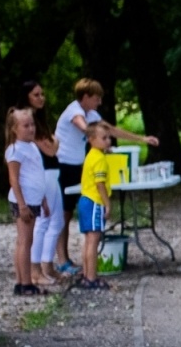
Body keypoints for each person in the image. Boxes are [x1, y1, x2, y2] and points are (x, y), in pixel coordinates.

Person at [55, 78, 159, 274]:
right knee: (65, 213)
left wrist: (141, 139)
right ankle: (62, 259)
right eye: (96, 98)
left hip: (80, 165)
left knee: (81, 213)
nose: (99, 102)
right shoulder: (74, 111)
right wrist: (101, 141)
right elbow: (86, 129)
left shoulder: (91, 113)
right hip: (64, 165)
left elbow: (109, 129)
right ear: (85, 97)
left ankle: (85, 265)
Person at [18, 80, 65, 285]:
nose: (41, 98)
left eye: (42, 94)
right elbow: (51, 148)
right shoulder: (29, 121)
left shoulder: (38, 120)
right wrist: (55, 140)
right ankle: (35, 269)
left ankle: (47, 265)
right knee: (44, 221)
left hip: (51, 172)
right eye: (36, 94)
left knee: (56, 221)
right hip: (43, 172)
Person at [4, 108, 49, 296]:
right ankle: (25, 282)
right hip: (24, 201)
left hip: (34, 199)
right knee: (25, 242)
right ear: (14, 129)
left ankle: (22, 281)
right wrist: (22, 205)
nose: (31, 129)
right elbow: (14, 179)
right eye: (25, 126)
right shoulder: (15, 150)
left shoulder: (31, 146)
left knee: (25, 241)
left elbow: (37, 173)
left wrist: (44, 200)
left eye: (32, 125)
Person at [74, 122, 114, 290]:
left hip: (84, 200)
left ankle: (86, 275)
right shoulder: (99, 160)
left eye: (108, 137)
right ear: (91, 139)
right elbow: (100, 184)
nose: (108, 141)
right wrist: (107, 203)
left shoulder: (91, 155)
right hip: (94, 201)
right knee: (94, 240)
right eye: (103, 138)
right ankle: (91, 277)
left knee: (88, 241)